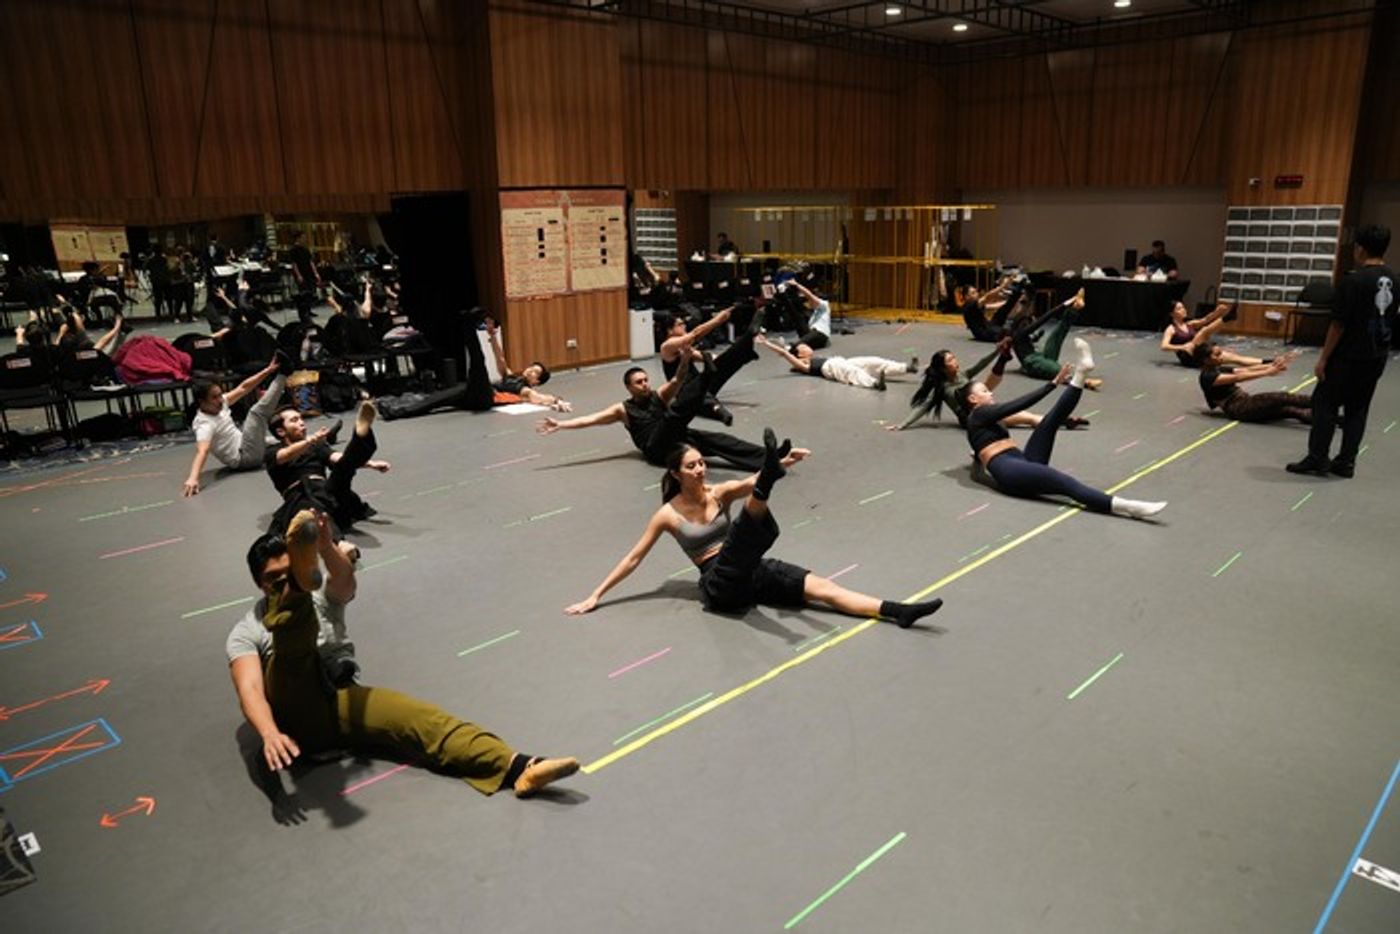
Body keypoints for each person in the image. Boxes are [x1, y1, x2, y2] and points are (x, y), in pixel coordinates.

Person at [229, 510, 578, 798]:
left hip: (338, 697)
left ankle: (519, 768)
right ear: (259, 583)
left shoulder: (323, 599)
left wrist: (325, 546)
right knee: (291, 650)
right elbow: (250, 690)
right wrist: (269, 733)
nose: (279, 581)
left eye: (289, 574)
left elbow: (344, 580)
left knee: (420, 718)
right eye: (274, 578)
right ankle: (295, 597)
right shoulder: (245, 631)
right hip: (295, 715)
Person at [565, 431, 945, 628]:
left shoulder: (720, 492)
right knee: (744, 530)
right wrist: (595, 596)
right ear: (675, 474)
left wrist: (783, 461)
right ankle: (767, 487)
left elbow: (750, 480)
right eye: (691, 466)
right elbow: (634, 558)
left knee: (824, 588)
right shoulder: (667, 514)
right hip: (719, 583)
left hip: (751, 567)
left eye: (702, 463)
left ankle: (897, 611)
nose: (700, 470)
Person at [959, 338, 1166, 519]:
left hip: (1023, 461)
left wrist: (977, 460)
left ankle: (1081, 372)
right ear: (973, 399)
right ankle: (1127, 506)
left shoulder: (980, 422)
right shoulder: (978, 414)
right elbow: (1016, 405)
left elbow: (979, 457)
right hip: (1011, 472)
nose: (990, 393)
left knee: (1051, 421)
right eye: (985, 391)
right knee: (1065, 483)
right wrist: (1051, 385)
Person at [1287, 224, 1394, 477]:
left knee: (1324, 404)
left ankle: (1318, 457)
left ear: (1360, 248)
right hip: (1376, 355)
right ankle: (1346, 461)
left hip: (1347, 356)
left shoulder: (1353, 280)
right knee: (1358, 408)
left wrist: (1323, 358)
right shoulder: (1395, 280)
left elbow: (1338, 324)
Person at [538, 354, 766, 471]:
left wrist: (686, 360)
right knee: (674, 415)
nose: (645, 384)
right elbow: (591, 420)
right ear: (629, 387)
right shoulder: (622, 409)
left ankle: (769, 458)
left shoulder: (659, 395)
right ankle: (708, 378)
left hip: (676, 437)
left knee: (719, 440)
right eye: (639, 382)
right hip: (655, 448)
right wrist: (560, 424)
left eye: (646, 380)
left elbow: (678, 379)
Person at [891, 338, 1088, 432]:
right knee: (1026, 417)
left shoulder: (961, 374)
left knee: (1025, 416)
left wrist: (996, 352)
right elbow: (923, 406)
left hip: (984, 407)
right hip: (973, 418)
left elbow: (980, 364)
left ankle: (1062, 421)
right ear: (942, 368)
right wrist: (903, 424)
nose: (955, 361)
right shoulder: (942, 388)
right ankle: (1062, 421)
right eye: (950, 360)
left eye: (954, 357)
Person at [265, 399, 389, 535]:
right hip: (302, 497)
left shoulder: (316, 446)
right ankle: (336, 541)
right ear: (281, 431)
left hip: (329, 493)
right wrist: (311, 440)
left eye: (301, 418)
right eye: (294, 420)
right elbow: (286, 455)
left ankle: (361, 436)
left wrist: (371, 464)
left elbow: (338, 458)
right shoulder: (272, 452)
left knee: (342, 468)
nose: (301, 422)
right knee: (315, 516)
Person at [184, 354, 294, 496]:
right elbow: (202, 451)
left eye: (220, 395)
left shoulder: (220, 404)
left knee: (283, 441)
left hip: (246, 445)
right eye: (214, 397)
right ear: (201, 401)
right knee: (256, 414)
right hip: (244, 459)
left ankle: (313, 441)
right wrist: (193, 478)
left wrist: (268, 370)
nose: (220, 400)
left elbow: (243, 388)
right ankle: (283, 374)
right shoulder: (204, 424)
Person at [659, 305, 763, 425]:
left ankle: (748, 339)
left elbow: (709, 358)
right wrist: (717, 320)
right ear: (670, 330)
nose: (684, 326)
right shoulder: (666, 346)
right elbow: (694, 335)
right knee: (699, 396)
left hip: (701, 384)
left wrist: (730, 357)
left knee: (719, 365)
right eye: (680, 324)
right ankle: (717, 409)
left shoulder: (684, 348)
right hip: (686, 393)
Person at [1006, 288, 1103, 388]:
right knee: (1057, 369)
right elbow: (1044, 318)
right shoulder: (1019, 333)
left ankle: (1074, 309)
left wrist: (1037, 336)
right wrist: (1064, 304)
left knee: (1056, 337)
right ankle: (1084, 381)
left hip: (1038, 356)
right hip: (1032, 362)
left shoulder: (1020, 330)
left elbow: (1028, 339)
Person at [1194, 344, 1311, 423]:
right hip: (1238, 408)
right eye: (1217, 355)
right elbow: (1238, 377)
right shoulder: (1207, 377)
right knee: (1282, 397)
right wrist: (1267, 372)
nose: (1222, 356)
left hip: (1244, 402)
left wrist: (1273, 364)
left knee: (1288, 410)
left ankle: (1317, 416)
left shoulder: (1217, 369)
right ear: (1206, 360)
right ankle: (1317, 402)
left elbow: (1245, 370)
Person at [757, 334, 916, 390]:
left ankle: (906, 368)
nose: (807, 346)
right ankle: (875, 384)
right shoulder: (805, 365)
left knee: (872, 361)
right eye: (803, 347)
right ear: (799, 355)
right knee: (853, 373)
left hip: (839, 360)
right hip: (830, 368)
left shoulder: (811, 358)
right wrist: (766, 343)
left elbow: (787, 348)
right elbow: (785, 353)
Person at [1159, 300, 1258, 368]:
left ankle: (1264, 363)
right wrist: (1182, 347)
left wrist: (1217, 312)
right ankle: (1228, 318)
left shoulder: (1190, 324)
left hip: (1200, 354)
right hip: (1188, 357)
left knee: (1235, 358)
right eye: (1179, 309)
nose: (1183, 310)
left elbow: (1205, 320)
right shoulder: (1171, 329)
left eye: (1183, 307)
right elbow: (1164, 346)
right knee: (1203, 331)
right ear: (1172, 314)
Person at [784, 280, 832, 350]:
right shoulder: (814, 313)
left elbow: (809, 295)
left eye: (810, 301)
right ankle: (783, 295)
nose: (809, 303)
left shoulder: (824, 304)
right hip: (812, 337)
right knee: (798, 317)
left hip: (821, 335)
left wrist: (797, 285)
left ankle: (793, 346)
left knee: (813, 332)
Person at [287, 231, 320, 324]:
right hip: (301, 273)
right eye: (303, 237)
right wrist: (298, 275)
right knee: (303, 293)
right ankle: (304, 312)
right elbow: (294, 264)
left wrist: (316, 273)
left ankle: (309, 310)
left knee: (311, 292)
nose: (305, 239)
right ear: (298, 238)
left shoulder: (305, 249)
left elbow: (311, 262)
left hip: (309, 273)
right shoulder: (293, 250)